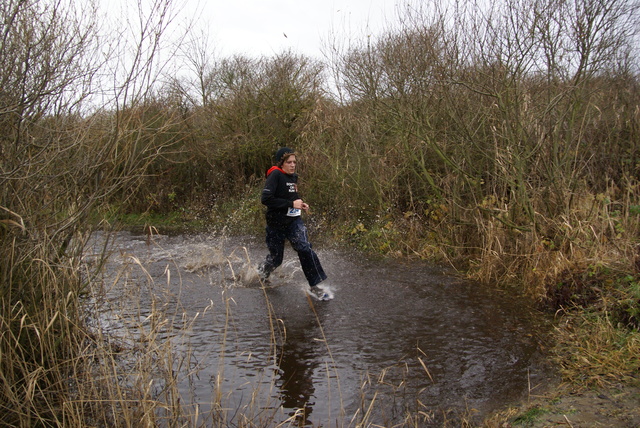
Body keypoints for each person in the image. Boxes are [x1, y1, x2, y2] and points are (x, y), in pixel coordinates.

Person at [257, 147, 332, 300]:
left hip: (293, 222)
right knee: (276, 259)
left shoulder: (293, 177)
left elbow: (291, 197)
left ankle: (315, 286)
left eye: (294, 162)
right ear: (281, 163)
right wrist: (291, 204)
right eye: (289, 162)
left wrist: (300, 204)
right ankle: (262, 273)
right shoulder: (275, 175)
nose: (292, 165)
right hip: (276, 224)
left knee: (304, 248)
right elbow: (266, 199)